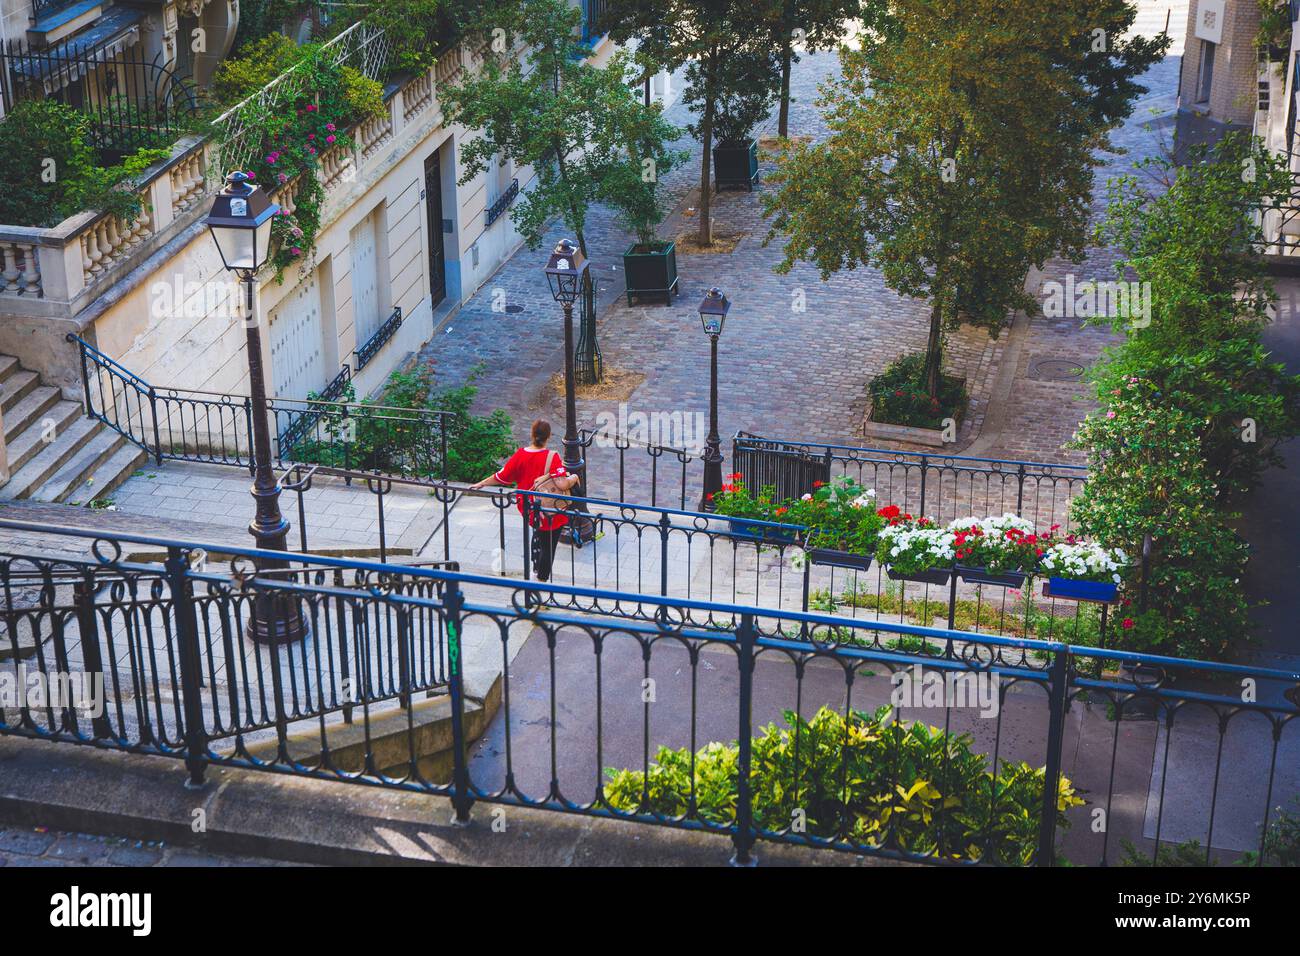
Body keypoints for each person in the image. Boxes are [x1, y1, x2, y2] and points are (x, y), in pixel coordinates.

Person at [470, 419, 581, 582]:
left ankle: (535, 566)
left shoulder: (520, 455)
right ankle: (541, 580)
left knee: (539, 530)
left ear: (532, 434)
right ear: (549, 436)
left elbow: (501, 476)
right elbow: (562, 483)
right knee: (548, 547)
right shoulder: (553, 457)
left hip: (529, 507)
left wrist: (480, 484)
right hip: (550, 509)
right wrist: (574, 477)